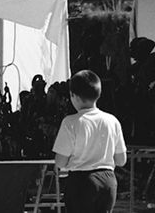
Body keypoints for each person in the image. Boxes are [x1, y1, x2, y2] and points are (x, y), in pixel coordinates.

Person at [52, 70, 127, 213]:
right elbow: (121, 160)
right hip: (108, 181)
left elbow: (60, 161)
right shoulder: (112, 121)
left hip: (81, 181)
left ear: (74, 96)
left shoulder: (70, 122)